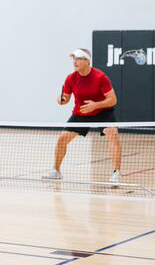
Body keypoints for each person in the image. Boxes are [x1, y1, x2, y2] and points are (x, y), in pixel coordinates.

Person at [43, 48, 121, 183]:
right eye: (73, 59)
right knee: (62, 139)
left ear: (87, 61)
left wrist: (95, 105)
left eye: (78, 58)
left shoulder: (100, 77)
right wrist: (61, 100)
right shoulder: (71, 78)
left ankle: (116, 173)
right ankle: (56, 170)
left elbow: (113, 100)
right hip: (81, 112)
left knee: (113, 135)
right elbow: (65, 98)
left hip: (102, 111)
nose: (75, 61)